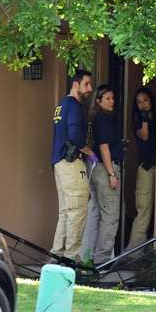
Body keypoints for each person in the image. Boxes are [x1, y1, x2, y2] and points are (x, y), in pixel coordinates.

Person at [51, 70, 98, 261]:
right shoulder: (75, 106)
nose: (90, 89)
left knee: (66, 212)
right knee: (77, 211)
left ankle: (57, 256)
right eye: (86, 84)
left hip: (59, 162)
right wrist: (89, 152)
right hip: (71, 164)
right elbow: (75, 136)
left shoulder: (61, 105)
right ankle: (71, 259)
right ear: (75, 84)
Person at [85, 84, 123, 264]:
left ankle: (88, 255)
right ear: (99, 101)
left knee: (95, 213)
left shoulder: (95, 118)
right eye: (107, 99)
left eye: (113, 98)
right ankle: (102, 260)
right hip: (104, 169)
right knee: (110, 216)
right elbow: (104, 147)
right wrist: (112, 174)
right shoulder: (104, 119)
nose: (112, 102)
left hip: (94, 168)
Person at [127, 87, 156, 249]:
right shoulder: (138, 120)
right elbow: (144, 135)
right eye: (139, 102)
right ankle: (134, 251)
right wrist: (145, 118)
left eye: (146, 100)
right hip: (146, 167)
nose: (143, 104)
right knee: (144, 208)